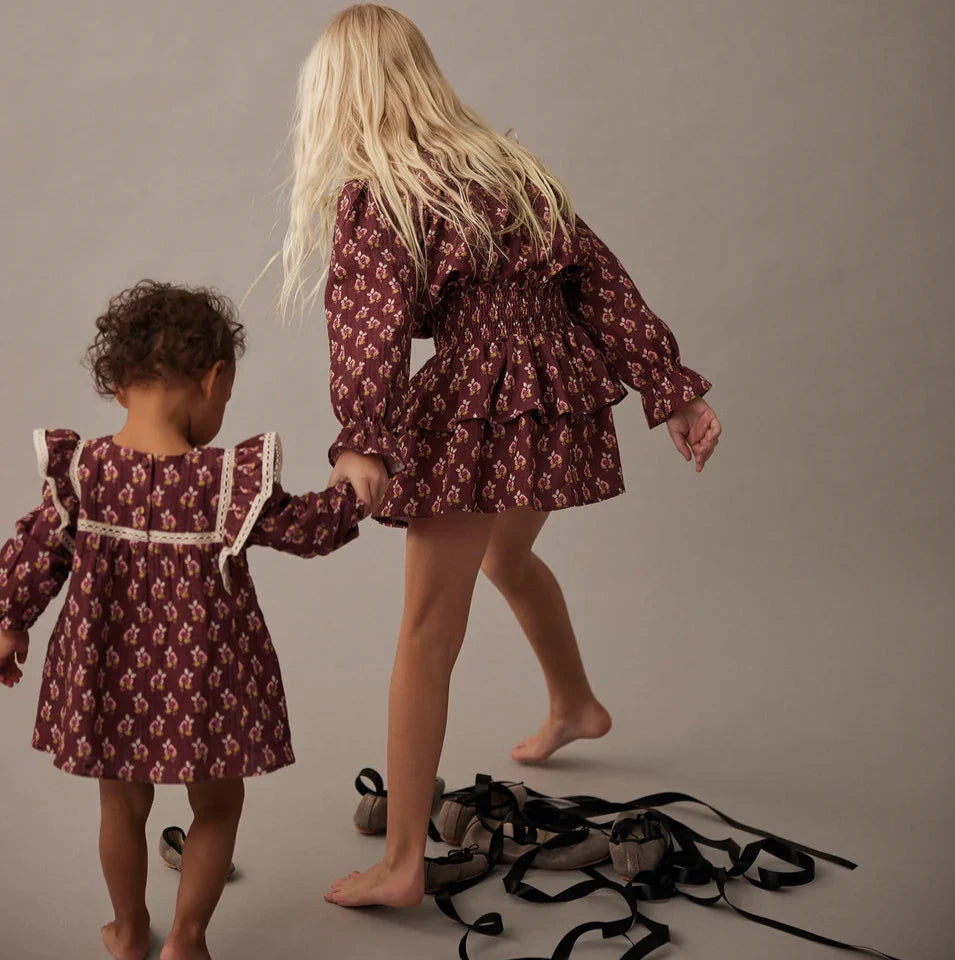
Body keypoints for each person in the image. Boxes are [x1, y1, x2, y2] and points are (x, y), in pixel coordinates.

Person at [279, 4, 722, 909]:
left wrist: (363, 436)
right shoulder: (513, 169)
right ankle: (576, 705)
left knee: (426, 634)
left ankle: (403, 861)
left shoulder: (385, 192)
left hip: (485, 407)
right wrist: (669, 387)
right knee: (506, 555)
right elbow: (602, 281)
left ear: (340, 95)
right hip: (558, 393)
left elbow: (367, 330)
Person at [0, 281, 360, 960]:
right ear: (212, 378)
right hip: (207, 678)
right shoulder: (224, 481)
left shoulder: (85, 471)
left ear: (118, 388)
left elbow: (35, 550)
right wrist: (354, 490)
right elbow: (308, 529)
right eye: (224, 395)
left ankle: (130, 930)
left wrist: (8, 623)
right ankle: (188, 939)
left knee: (121, 809)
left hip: (110, 669)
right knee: (217, 808)